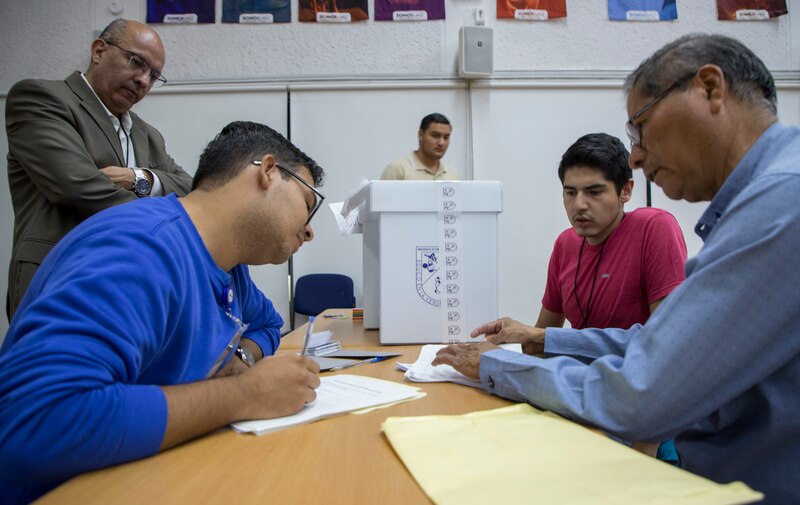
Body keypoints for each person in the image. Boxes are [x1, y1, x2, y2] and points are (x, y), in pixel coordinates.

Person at [433, 34, 800, 504]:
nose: (638, 157)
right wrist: (537, 339)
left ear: (710, 89)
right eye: (569, 192)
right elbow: (660, 343)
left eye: (641, 129)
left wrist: (498, 366)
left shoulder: (778, 205)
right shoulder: (766, 199)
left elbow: (644, 393)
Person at [0, 121, 324, 504]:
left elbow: (269, 323)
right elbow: (32, 423)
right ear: (268, 171)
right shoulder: (139, 249)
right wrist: (243, 394)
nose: (308, 231)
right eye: (307, 205)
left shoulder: (229, 267)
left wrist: (240, 356)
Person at [5, 19, 193, 320]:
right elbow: (79, 187)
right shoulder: (42, 99)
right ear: (98, 51)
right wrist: (170, 225)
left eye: (154, 75)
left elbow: (194, 188)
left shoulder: (148, 135)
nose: (143, 80)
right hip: (61, 279)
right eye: (136, 62)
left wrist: (140, 178)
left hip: (129, 287)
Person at [537, 132, 686, 332]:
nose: (579, 205)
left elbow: (666, 337)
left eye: (594, 192)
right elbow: (538, 340)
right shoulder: (565, 244)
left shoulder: (654, 228)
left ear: (625, 191)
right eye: (570, 193)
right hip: (576, 364)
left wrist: (546, 341)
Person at [380, 113, 459, 181]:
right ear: (421, 135)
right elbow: (381, 198)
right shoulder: (397, 169)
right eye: (435, 136)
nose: (441, 143)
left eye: (446, 137)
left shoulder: (452, 174)